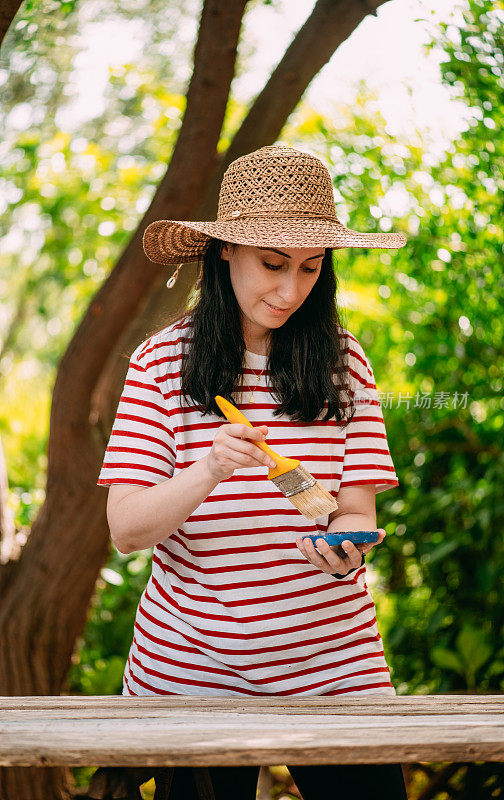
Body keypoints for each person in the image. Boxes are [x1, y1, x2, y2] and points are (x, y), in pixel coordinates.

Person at [97, 145, 408, 799]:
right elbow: (126, 530)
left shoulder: (346, 363)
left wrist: (344, 550)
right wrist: (210, 466)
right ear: (224, 252)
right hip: (191, 672)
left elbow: (356, 514)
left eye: (309, 267)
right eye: (272, 264)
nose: (291, 290)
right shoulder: (159, 364)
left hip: (335, 664)